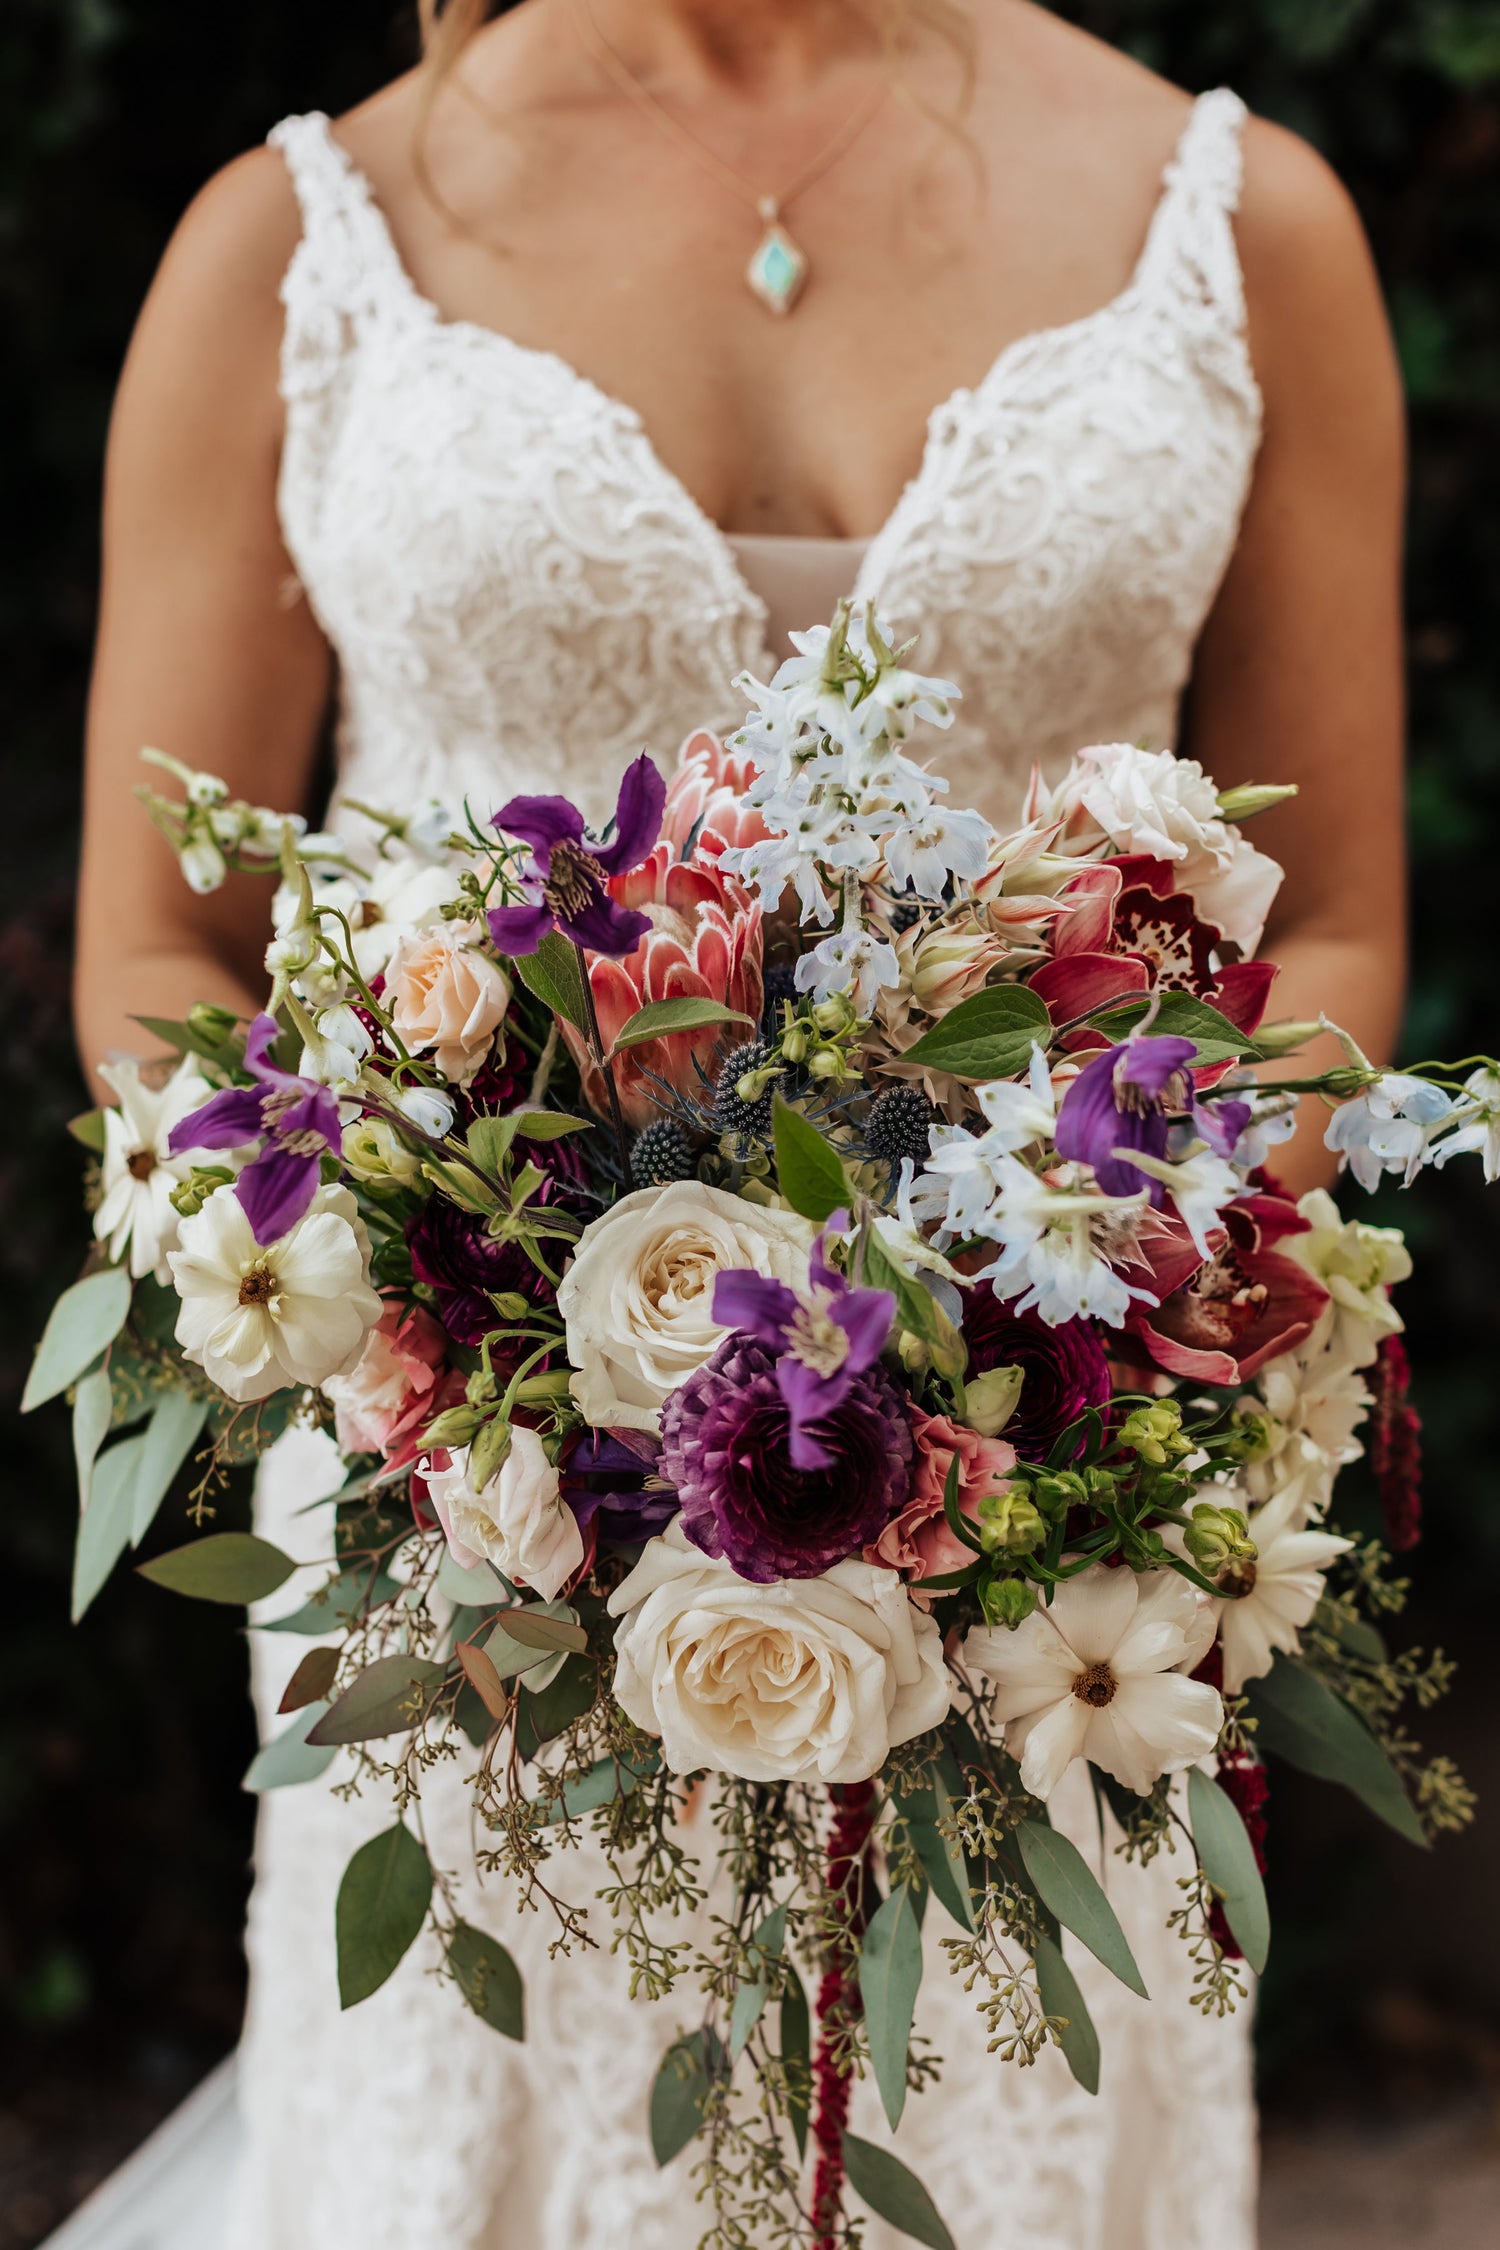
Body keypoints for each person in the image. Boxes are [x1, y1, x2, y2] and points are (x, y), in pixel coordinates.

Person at [72, 3, 1407, 2244]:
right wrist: (433, 1308)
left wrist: (1060, 1322)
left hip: (1044, 1524)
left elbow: (1338, 924)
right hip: (468, 1530)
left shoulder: (1241, 223)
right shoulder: (302, 243)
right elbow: (157, 953)